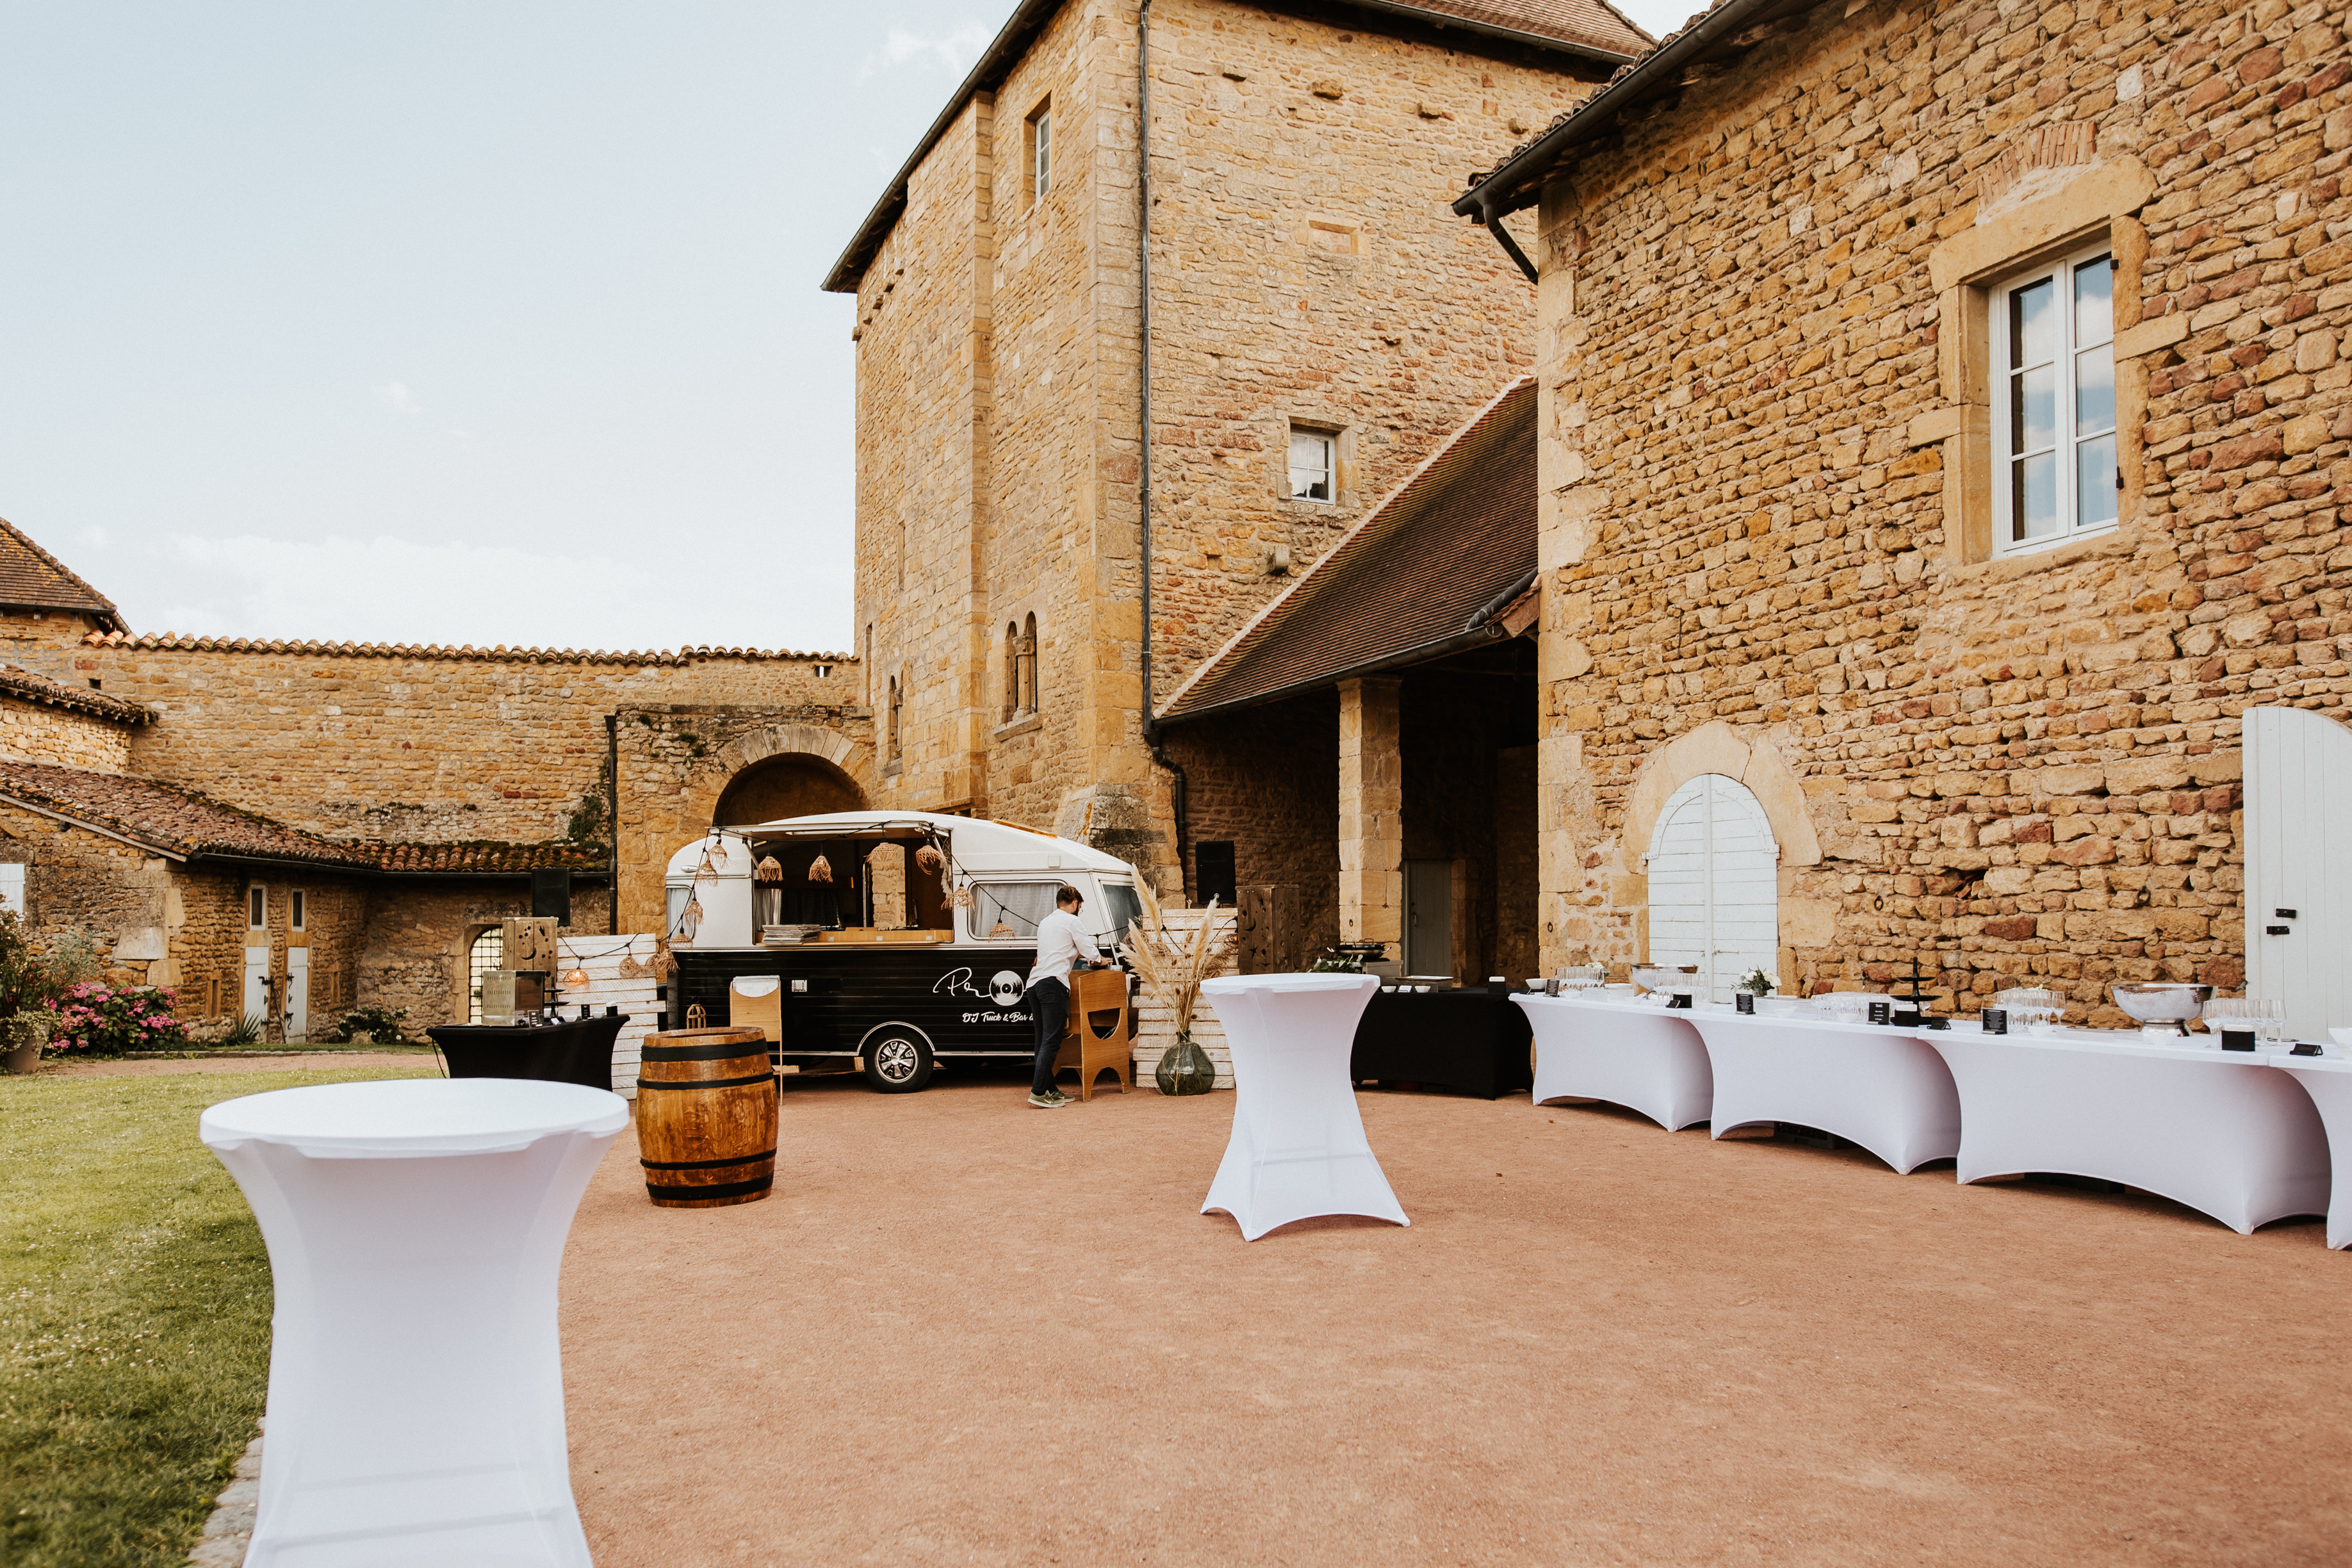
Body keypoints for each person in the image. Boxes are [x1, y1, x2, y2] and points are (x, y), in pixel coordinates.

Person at [1027, 884, 1109, 1108]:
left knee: (1042, 1040)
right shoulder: (1073, 921)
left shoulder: (1045, 922)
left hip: (1034, 984)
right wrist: (1100, 960)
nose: (1079, 910)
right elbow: (1088, 950)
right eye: (1079, 907)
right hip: (1053, 984)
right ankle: (1038, 1092)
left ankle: (1050, 1090)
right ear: (1075, 904)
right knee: (1051, 1041)